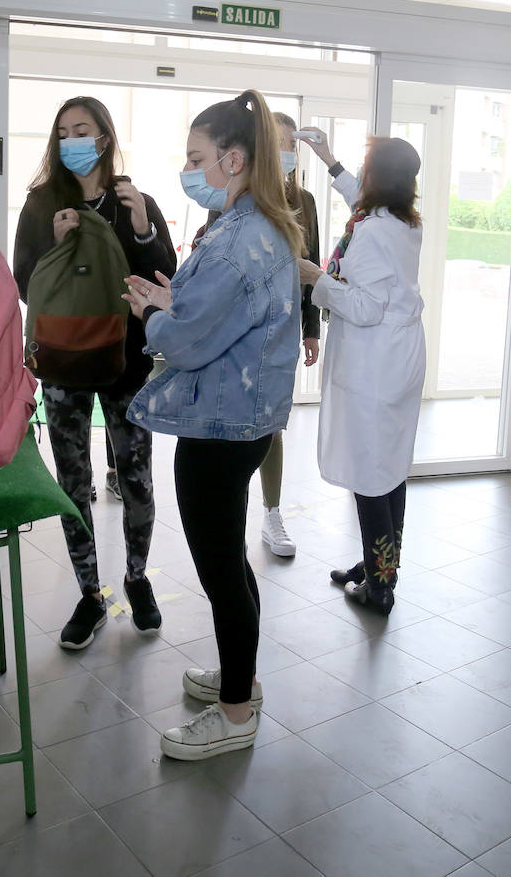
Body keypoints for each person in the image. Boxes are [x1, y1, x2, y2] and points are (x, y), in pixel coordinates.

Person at [123, 89, 301, 760]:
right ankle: (240, 682)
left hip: (221, 428)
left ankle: (232, 716)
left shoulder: (236, 241)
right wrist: (180, 301)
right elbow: (222, 318)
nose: (188, 169)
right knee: (231, 561)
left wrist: (154, 315)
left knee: (221, 568)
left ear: (232, 158)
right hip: (246, 420)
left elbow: (189, 343)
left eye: (197, 157)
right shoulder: (257, 226)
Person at [12, 96, 176, 650]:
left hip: (126, 362)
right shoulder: (41, 204)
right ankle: (89, 594)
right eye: (63, 132)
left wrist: (141, 225)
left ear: (105, 136)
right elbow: (22, 283)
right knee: (74, 483)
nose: (71, 141)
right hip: (63, 363)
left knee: (137, 481)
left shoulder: (138, 199)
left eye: (82, 130)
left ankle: (137, 578)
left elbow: (164, 279)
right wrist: (58, 248)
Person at [297, 131, 426, 615]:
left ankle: (379, 590)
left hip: (376, 363)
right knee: (390, 467)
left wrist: (318, 279)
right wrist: (331, 162)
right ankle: (381, 566)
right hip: (399, 359)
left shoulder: (372, 232)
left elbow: (365, 307)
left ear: (379, 177)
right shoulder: (403, 221)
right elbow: (361, 205)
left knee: (372, 472)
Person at [191, 111, 321, 557]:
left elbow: (311, 269)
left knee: (270, 427)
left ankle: (272, 513)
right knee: (236, 429)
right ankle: (237, 519)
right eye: (277, 142)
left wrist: (310, 330)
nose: (285, 152)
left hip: (281, 331)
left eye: (292, 144)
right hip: (236, 333)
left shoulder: (303, 200)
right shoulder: (228, 198)